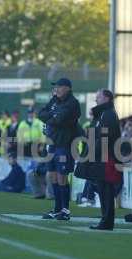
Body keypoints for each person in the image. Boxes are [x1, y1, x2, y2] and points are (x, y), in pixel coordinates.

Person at [76, 89, 122, 230]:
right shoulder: (103, 114)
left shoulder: (107, 115)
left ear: (107, 98)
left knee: (106, 189)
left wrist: (91, 155)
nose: (96, 100)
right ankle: (105, 220)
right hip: (102, 157)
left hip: (106, 157)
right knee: (102, 189)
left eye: (98, 97)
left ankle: (107, 221)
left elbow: (103, 138)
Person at [38, 78, 81, 220]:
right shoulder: (55, 100)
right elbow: (41, 114)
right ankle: (57, 209)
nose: (56, 89)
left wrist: (51, 117)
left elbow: (60, 119)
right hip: (53, 143)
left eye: (59, 86)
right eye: (55, 87)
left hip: (65, 144)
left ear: (67, 88)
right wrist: (52, 116)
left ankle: (65, 210)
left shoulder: (72, 103)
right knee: (52, 175)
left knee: (62, 177)